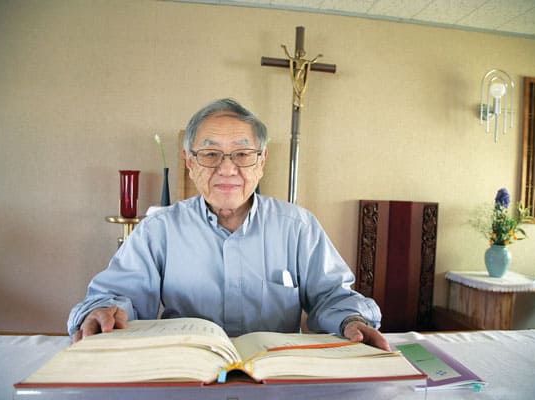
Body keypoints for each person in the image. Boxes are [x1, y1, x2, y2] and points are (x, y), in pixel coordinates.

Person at [68, 98, 389, 350]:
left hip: (276, 377)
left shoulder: (298, 226)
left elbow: (332, 295)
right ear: (190, 162)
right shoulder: (160, 228)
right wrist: (105, 311)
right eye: (210, 154)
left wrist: (350, 319)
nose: (226, 169)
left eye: (241, 154)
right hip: (187, 375)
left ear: (261, 162)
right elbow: (118, 295)